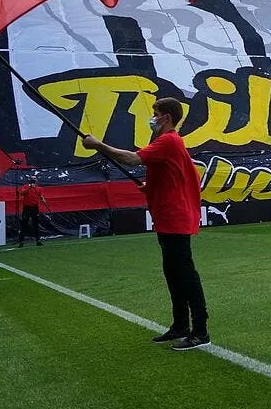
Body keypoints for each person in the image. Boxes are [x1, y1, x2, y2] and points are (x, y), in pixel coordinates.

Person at [82, 98, 209, 351]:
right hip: (168, 216)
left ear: (167, 117)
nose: (152, 117)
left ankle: (201, 331)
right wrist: (150, 187)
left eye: (156, 113)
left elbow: (131, 159)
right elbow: (174, 174)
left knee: (184, 274)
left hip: (175, 217)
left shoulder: (168, 140)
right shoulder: (166, 142)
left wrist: (98, 145)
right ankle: (181, 325)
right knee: (173, 273)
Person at [17, 177, 51, 247]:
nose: (33, 180)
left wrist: (43, 199)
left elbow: (41, 196)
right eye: (32, 179)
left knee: (36, 224)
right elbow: (21, 193)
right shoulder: (25, 186)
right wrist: (29, 187)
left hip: (35, 208)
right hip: (26, 208)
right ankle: (21, 241)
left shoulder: (39, 188)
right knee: (24, 224)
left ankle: (38, 240)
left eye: (34, 179)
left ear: (36, 181)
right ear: (30, 180)